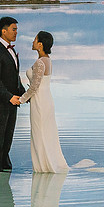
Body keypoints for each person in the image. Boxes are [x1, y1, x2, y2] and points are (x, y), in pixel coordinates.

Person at [19, 30, 69, 173]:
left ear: (40, 44)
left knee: (39, 133)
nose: (33, 42)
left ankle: (43, 167)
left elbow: (35, 86)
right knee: (45, 133)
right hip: (45, 100)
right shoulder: (47, 60)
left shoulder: (40, 62)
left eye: (35, 40)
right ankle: (46, 164)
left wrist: (21, 100)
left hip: (40, 102)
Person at [0, 16, 25, 172]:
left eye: (16, 29)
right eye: (13, 29)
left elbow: (15, 77)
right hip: (0, 102)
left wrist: (25, 93)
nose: (16, 32)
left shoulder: (12, 50)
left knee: (8, 137)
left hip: (13, 102)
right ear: (4, 31)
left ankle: (5, 165)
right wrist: (9, 97)